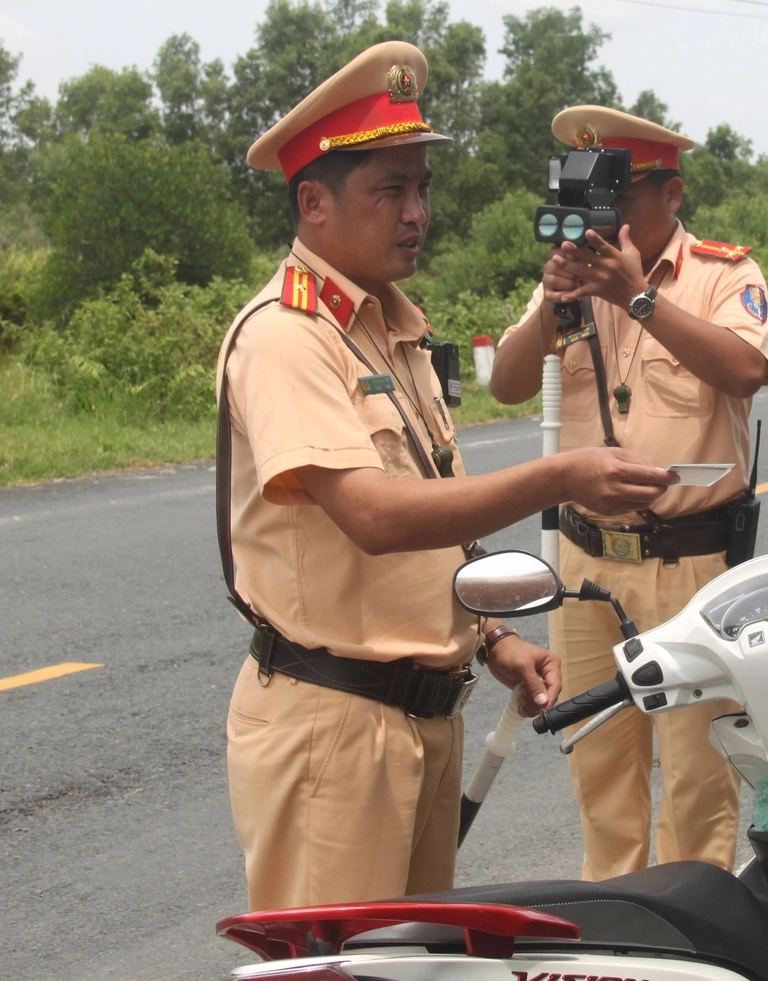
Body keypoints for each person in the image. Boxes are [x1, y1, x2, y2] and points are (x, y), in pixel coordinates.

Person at [220, 44, 675, 912]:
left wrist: (493, 638)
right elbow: (375, 515)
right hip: (333, 723)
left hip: (424, 716)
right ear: (312, 202)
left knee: (406, 965)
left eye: (421, 189)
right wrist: (560, 474)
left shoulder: (391, 324)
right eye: (389, 191)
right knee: (336, 967)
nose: (416, 213)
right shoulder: (287, 335)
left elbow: (433, 509)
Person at [488, 105, 768, 880]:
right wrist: (554, 308)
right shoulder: (572, 278)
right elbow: (508, 382)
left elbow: (746, 372)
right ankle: (616, 938)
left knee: (695, 784)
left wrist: (637, 299)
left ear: (672, 195)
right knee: (603, 779)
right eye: (592, 199)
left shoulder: (724, 274)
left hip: (693, 567)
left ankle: (692, 940)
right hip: (589, 572)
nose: (605, 217)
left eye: (622, 197)